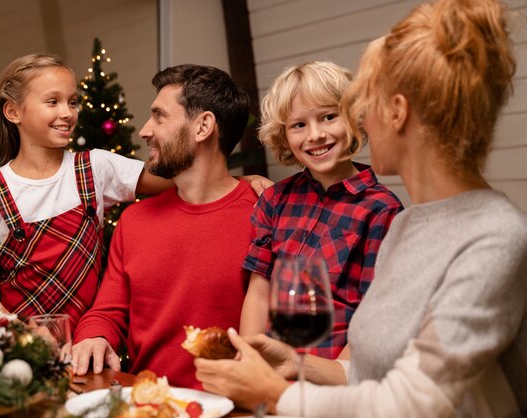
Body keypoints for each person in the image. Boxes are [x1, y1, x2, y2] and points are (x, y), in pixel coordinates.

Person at [194, 0, 527, 416]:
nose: (360, 121)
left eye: (363, 105)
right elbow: (375, 375)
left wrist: (273, 395)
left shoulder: (495, 236)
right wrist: (294, 364)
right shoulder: (410, 225)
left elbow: (412, 402)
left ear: (397, 113)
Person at [71, 64, 258, 389]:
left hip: (233, 408)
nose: (145, 130)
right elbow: (108, 310)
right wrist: (94, 336)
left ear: (203, 127)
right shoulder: (134, 221)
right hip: (150, 405)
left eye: (159, 117)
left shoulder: (263, 216)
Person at [0, 54, 172, 329]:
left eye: (72, 101)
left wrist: (239, 180)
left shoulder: (95, 167)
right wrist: (20, 333)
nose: (67, 113)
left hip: (92, 343)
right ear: (13, 112)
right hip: (24, 353)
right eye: (52, 101)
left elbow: (181, 183)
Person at [240, 61, 402, 360]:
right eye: (299, 125)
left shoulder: (382, 209)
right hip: (273, 372)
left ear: (354, 118)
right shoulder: (274, 200)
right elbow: (259, 294)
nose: (315, 135)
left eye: (328, 117)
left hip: (335, 376)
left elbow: (374, 314)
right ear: (284, 135)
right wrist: (251, 361)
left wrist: (334, 383)